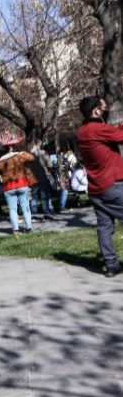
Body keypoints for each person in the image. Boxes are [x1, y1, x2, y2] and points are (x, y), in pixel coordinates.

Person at [76, 96, 123, 277]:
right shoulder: (98, 129)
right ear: (96, 111)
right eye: (103, 108)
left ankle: (111, 264)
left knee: (104, 227)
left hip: (96, 188)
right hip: (112, 185)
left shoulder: (82, 131)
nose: (105, 111)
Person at [0, 149, 36, 236]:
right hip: (22, 184)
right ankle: (28, 228)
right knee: (25, 207)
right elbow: (32, 158)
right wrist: (22, 152)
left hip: (8, 187)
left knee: (12, 209)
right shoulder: (19, 157)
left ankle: (15, 230)